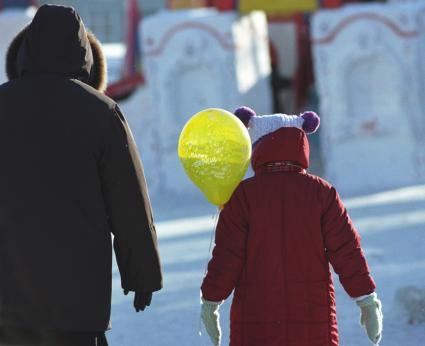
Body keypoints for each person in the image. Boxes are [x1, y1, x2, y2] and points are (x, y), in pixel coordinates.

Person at [0, 5, 162, 346]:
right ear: (83, 53)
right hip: (76, 301)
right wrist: (142, 273)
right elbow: (128, 202)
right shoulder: (101, 112)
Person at [200, 107, 383, 345]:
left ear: (255, 147)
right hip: (313, 319)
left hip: (256, 320)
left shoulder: (242, 196)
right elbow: (347, 250)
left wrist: (211, 301)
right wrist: (366, 298)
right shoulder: (322, 193)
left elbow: (227, 256)